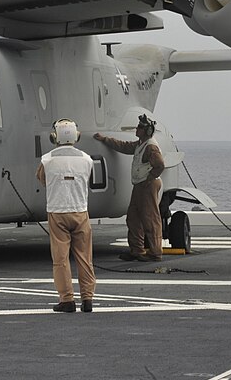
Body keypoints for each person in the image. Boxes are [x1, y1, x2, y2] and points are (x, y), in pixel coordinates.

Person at [36, 118, 96, 313]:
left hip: (57, 211)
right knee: (84, 257)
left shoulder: (47, 159)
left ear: (55, 137)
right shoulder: (86, 159)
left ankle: (67, 299)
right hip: (80, 210)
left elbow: (41, 179)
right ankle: (87, 298)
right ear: (76, 136)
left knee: (60, 259)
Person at [93, 114, 166, 262]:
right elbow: (125, 146)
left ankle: (155, 252)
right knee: (133, 217)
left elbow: (159, 165)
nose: (137, 129)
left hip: (147, 185)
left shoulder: (150, 147)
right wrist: (105, 140)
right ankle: (137, 250)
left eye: (140, 127)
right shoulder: (141, 144)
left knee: (150, 219)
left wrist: (149, 178)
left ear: (147, 131)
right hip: (140, 185)